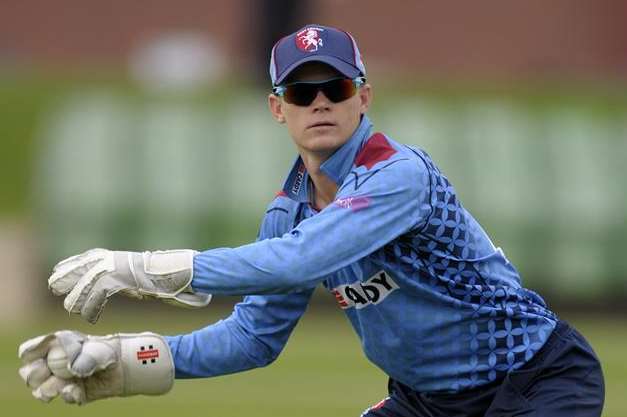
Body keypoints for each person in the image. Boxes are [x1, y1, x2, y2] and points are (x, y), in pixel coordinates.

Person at [18, 24, 604, 416]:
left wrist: (139, 268)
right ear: (278, 109)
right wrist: (126, 362)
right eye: (301, 93)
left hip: (533, 380)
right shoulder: (289, 211)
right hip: (426, 402)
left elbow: (301, 259)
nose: (319, 102)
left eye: (335, 86)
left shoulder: (397, 174)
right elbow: (252, 337)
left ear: (363, 97)